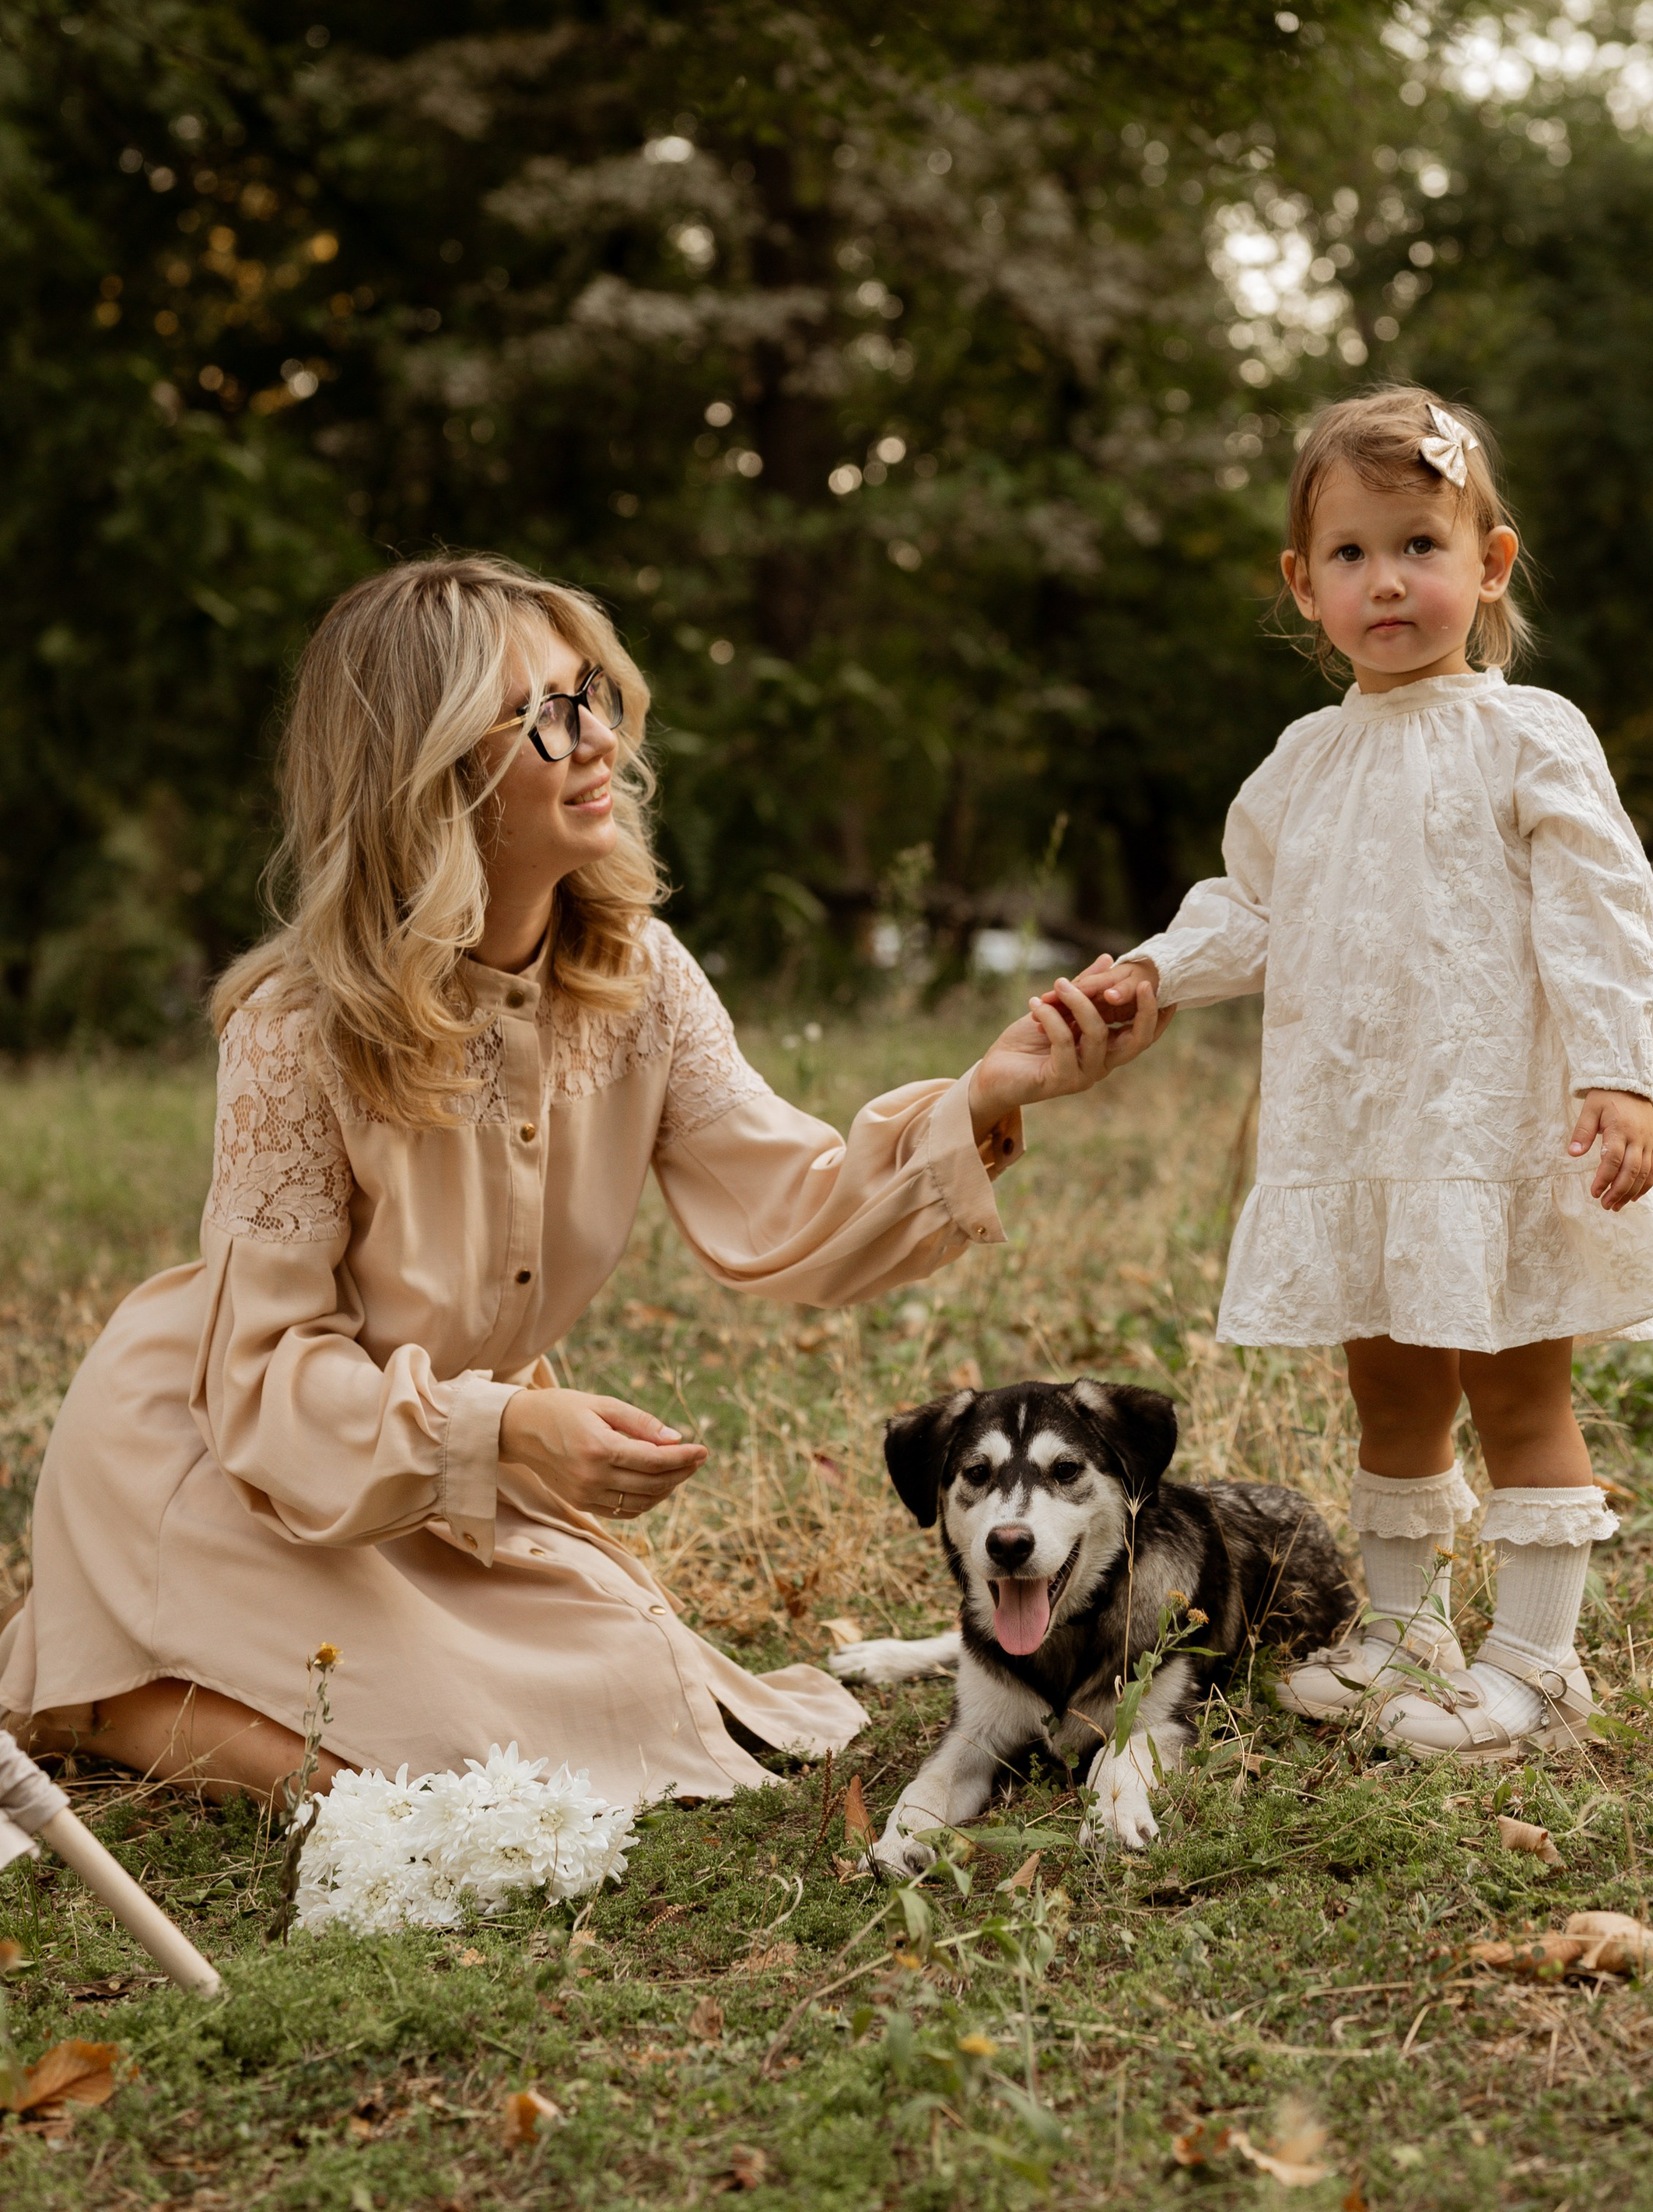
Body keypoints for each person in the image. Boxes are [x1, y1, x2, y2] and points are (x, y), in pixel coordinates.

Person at [0, 556, 1163, 1809]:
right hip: (230, 1462)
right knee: (437, 1778)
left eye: (593, 692)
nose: (599, 735)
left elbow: (789, 1207)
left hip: (433, 1480)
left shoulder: (638, 975)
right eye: (545, 712)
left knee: (634, 1691)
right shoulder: (295, 1032)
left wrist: (983, 1099)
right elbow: (262, 1379)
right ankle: (97, 1690)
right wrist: (507, 1429)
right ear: (428, 770)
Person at [1084, 387, 1653, 1763]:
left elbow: (1601, 908)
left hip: (1494, 1132)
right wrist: (1149, 970)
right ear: (1304, 586)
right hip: (1359, 1128)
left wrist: (1618, 1073)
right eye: (1352, 555)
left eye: (1421, 544)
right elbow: (1248, 909)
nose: (1387, 581)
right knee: (1394, 1393)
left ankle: (1537, 1668)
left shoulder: (1528, 732)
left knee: (1519, 1392)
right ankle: (1405, 1631)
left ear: (1490, 564)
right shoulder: (1303, 760)